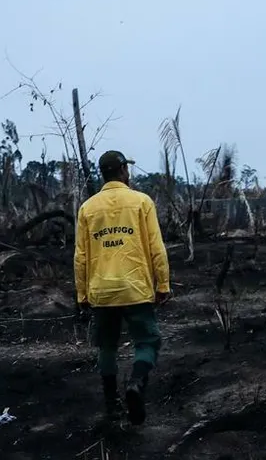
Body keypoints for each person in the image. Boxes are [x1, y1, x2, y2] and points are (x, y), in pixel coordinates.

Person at [74, 150, 171, 425]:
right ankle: (136, 383)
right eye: (127, 168)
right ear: (122, 171)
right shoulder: (141, 202)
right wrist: (162, 284)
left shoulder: (87, 208)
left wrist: (82, 294)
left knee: (106, 346)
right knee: (148, 341)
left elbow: (80, 256)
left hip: (101, 291)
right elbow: (156, 248)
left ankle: (111, 404)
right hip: (136, 288)